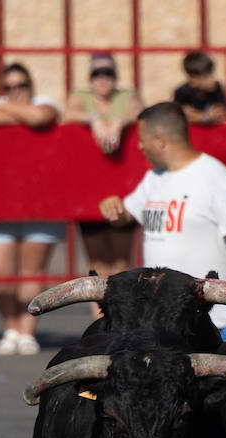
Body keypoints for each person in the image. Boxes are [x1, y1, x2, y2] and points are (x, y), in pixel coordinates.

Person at [98, 101, 226, 333]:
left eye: (142, 139)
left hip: (210, 322)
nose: (140, 146)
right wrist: (113, 208)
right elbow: (127, 215)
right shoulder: (154, 177)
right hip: (159, 320)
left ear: (160, 140)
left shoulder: (214, 175)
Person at [0, 62, 63, 355]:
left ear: (30, 85)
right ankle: (10, 327)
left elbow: (41, 117)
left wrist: (9, 112)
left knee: (31, 272)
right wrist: (17, 112)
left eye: (21, 85)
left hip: (40, 200)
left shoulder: (44, 102)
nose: (16, 92)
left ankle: (26, 332)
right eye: (9, 87)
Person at [64, 53, 141, 313]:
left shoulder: (126, 95)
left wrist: (118, 122)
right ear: (90, 77)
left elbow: (139, 110)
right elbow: (68, 112)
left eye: (108, 72)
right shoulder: (81, 97)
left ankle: (123, 316)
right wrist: (94, 120)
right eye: (97, 73)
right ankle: (100, 320)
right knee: (98, 262)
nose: (103, 78)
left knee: (121, 261)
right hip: (90, 189)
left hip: (122, 187)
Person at [174, 50, 226, 126]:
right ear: (193, 80)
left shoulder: (217, 88)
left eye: (212, 73)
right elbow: (182, 117)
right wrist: (207, 116)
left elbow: (219, 114)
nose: (212, 79)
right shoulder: (181, 92)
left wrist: (195, 116)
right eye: (206, 76)